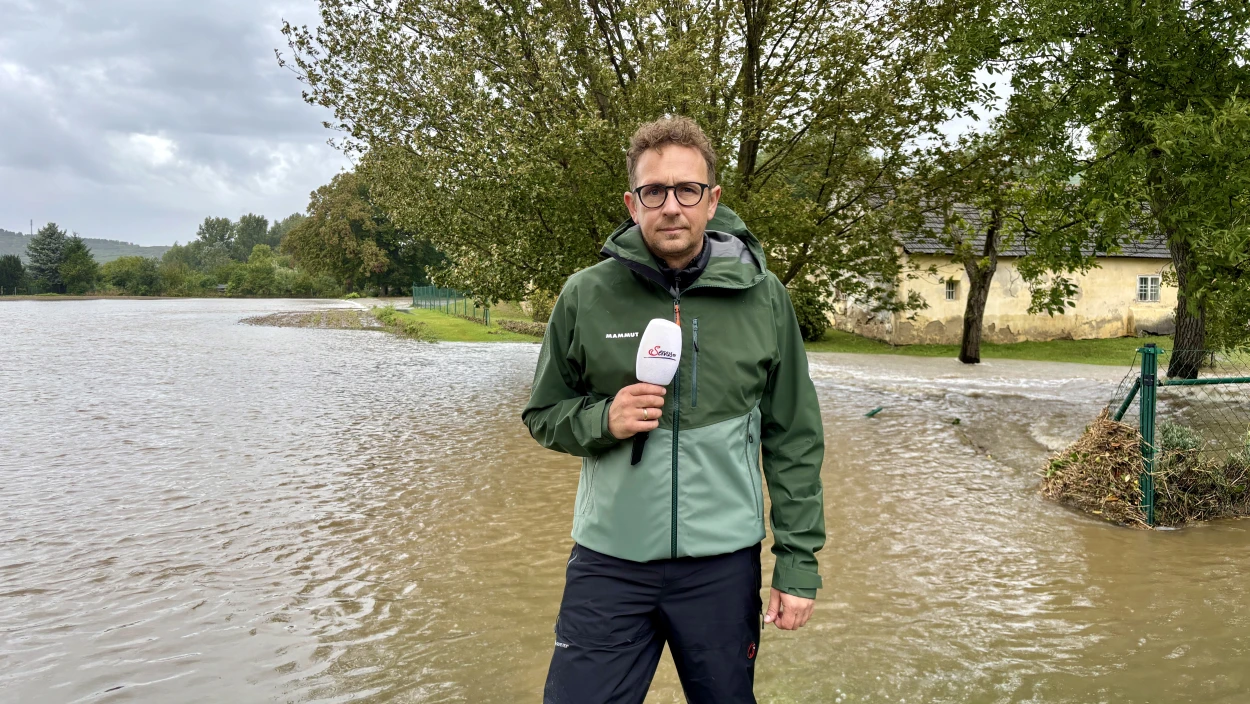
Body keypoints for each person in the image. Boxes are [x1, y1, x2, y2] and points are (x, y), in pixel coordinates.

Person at [522, 116, 825, 704]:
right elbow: (542, 415)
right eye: (654, 192)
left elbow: (794, 437)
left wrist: (798, 563)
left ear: (712, 200)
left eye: (687, 190)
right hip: (608, 562)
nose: (671, 206)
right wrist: (600, 419)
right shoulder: (585, 294)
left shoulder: (765, 297)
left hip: (722, 566)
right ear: (632, 204)